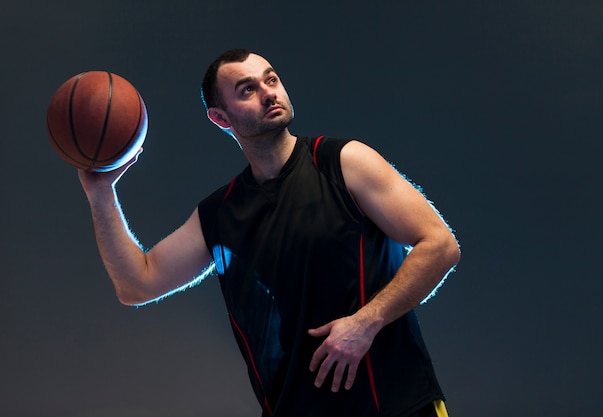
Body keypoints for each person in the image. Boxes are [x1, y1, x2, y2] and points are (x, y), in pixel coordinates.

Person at [78, 48, 460, 417]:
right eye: (247, 89)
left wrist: (367, 322)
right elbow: (137, 285)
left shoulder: (343, 163)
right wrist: (101, 194)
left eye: (271, 79)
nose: (268, 93)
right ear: (221, 119)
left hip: (398, 406)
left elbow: (440, 245)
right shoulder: (221, 214)